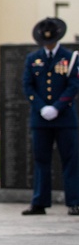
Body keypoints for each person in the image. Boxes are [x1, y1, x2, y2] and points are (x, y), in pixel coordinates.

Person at [21, 17, 79, 216]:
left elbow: (73, 85)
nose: (48, 44)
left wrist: (57, 107)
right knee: (41, 160)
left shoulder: (70, 58)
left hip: (64, 119)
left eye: (51, 40)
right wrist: (41, 107)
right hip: (40, 119)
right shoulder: (33, 59)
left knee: (70, 160)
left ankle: (74, 201)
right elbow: (28, 86)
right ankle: (39, 202)